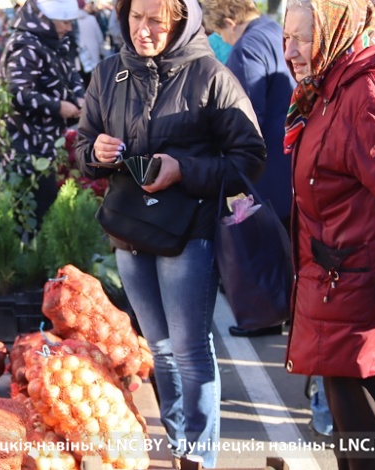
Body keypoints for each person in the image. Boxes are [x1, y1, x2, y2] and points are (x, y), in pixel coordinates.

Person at [75, 0, 266, 465]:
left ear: (181, 21)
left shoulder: (211, 76)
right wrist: (95, 152)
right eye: (136, 19)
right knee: (158, 349)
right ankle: (181, 444)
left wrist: (184, 169)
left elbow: (249, 160)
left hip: (188, 234)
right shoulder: (108, 74)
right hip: (129, 232)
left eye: (156, 21)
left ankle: (200, 456)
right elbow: (82, 145)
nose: (143, 30)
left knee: (189, 349)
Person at [282, 0, 375, 468]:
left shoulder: (370, 94)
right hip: (341, 306)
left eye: (303, 37)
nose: (290, 50)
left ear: (336, 30)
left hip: (367, 317)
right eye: (287, 35)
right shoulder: (331, 84)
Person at [201, 0, 295, 338]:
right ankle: (284, 310)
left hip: (267, 164)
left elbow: (242, 111)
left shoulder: (247, 47)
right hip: (290, 154)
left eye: (219, 32)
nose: (222, 40)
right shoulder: (275, 29)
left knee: (264, 242)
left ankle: (266, 314)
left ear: (229, 20)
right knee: (287, 243)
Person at [0, 0, 85, 230]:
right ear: (46, 20)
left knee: (46, 204)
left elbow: (70, 71)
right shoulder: (26, 46)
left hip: (46, 142)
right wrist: (58, 107)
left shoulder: (53, 41)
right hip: (25, 145)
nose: (68, 28)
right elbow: (17, 93)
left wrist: (80, 95)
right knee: (33, 209)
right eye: (64, 22)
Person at [75, 0, 105, 88]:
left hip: (79, 58)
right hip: (93, 55)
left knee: (83, 81)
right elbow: (99, 37)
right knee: (95, 83)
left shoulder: (71, 22)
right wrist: (102, 52)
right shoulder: (91, 19)